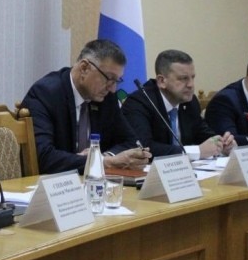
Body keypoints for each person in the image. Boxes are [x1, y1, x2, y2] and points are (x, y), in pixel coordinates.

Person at [21, 39, 151, 174]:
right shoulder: (46, 94)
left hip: (91, 182)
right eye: (109, 78)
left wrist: (104, 157)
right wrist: (103, 162)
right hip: (53, 183)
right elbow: (43, 157)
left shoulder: (106, 97)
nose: (112, 89)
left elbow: (131, 142)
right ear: (84, 68)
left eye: (116, 81)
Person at [123, 50, 235, 159]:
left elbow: (202, 133)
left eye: (192, 77)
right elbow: (143, 148)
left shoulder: (190, 101)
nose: (191, 85)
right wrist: (196, 151)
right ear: (162, 81)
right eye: (183, 78)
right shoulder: (138, 103)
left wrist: (222, 144)